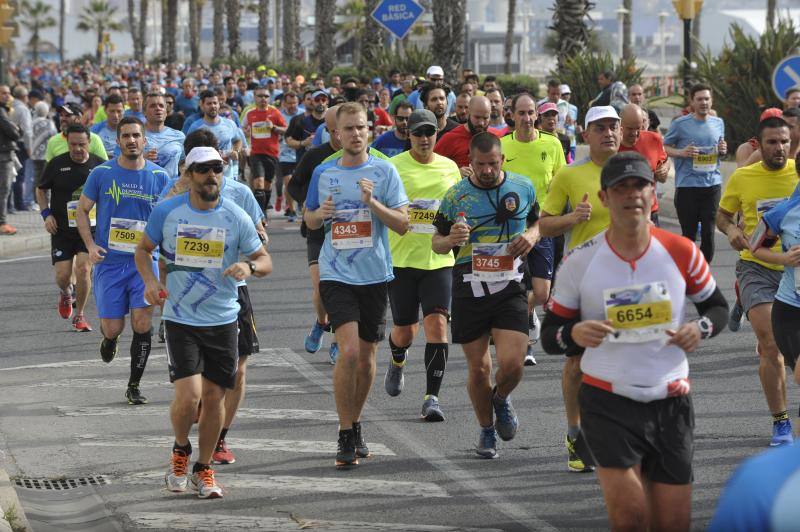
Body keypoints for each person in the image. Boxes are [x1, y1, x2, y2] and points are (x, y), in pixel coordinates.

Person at [541, 151, 728, 532]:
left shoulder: (681, 251)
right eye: (621, 187)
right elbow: (549, 336)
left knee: (672, 522)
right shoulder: (579, 261)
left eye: (640, 184)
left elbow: (717, 309)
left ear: (653, 190)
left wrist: (700, 329)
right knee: (630, 517)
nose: (632, 195)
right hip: (607, 401)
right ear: (604, 197)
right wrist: (574, 333)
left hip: (671, 399)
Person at [135, 146, 271, 499]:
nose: (212, 175)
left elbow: (264, 259)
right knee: (189, 395)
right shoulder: (167, 211)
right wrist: (151, 281)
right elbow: (143, 249)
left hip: (224, 319)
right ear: (190, 174)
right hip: (181, 318)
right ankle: (181, 450)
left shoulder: (235, 214)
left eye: (218, 168)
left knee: (214, 398)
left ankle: (203, 467)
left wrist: (250, 267)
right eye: (204, 169)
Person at [304, 102, 409, 468]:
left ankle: (357, 420)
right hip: (336, 273)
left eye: (361, 128)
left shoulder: (384, 170)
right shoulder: (324, 172)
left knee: (366, 361)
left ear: (370, 130)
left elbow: (402, 224)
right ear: (337, 134)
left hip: (375, 275)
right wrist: (320, 214)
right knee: (347, 352)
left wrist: (372, 203)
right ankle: (345, 431)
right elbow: (310, 220)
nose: (355, 134)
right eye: (348, 128)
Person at [432, 132, 538, 458]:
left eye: (493, 164)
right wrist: (451, 238)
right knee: (479, 369)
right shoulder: (456, 197)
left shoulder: (522, 187)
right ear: (471, 162)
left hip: (511, 282)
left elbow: (539, 223)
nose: (488, 171)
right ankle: (486, 429)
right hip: (470, 284)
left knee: (514, 364)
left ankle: (501, 398)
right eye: (481, 165)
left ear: (502, 160)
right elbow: (436, 243)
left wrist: (532, 236)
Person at [539, 105, 621, 473]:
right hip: (582, 278)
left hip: (626, 281)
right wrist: (573, 218)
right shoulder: (570, 175)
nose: (608, 133)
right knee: (576, 361)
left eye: (614, 127)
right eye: (600, 127)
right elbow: (543, 225)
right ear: (585, 135)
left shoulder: (634, 170)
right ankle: (575, 431)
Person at [75, 116, 169, 405]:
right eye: (125, 136)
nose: (131, 140)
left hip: (145, 264)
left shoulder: (159, 177)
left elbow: (168, 219)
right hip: (110, 263)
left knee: (142, 324)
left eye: (136, 136)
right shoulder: (101, 173)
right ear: (117, 142)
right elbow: (81, 211)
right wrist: (90, 246)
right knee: (113, 327)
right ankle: (110, 339)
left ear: (144, 140)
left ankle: (134, 385)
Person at [717, 116, 798, 446]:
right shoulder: (743, 177)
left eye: (784, 142)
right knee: (769, 345)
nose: (779, 148)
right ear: (759, 145)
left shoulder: (798, 172)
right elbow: (722, 216)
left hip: (792, 275)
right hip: (758, 268)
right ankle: (781, 421)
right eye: (772, 143)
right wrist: (733, 229)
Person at [383, 109, 461, 420]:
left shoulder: (450, 168)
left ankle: (432, 398)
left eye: (429, 132)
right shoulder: (393, 168)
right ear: (408, 135)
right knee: (405, 331)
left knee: (437, 326)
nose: (424, 138)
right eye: (418, 133)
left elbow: (458, 206)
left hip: (438, 259)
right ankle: (397, 359)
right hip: (401, 260)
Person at [500, 93, 566, 365]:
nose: (527, 118)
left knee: (541, 293)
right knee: (514, 285)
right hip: (511, 224)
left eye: (531, 113)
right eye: (522, 113)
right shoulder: (502, 145)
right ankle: (523, 340)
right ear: (512, 115)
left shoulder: (552, 144)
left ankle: (526, 312)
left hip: (543, 224)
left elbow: (563, 182)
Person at [36, 124, 105, 331]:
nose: (77, 149)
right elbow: (40, 190)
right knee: (63, 276)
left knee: (84, 269)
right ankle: (66, 293)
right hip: (62, 230)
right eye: (73, 144)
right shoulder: (57, 164)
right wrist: (46, 215)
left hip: (89, 231)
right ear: (67, 143)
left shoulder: (100, 166)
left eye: (82, 145)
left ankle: (80, 315)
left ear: (89, 143)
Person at [288, 106, 342, 364]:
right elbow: (294, 185)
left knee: (345, 289)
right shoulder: (316, 158)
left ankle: (338, 340)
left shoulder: (369, 159)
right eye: (338, 129)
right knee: (321, 289)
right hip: (319, 230)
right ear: (330, 131)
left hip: (350, 234)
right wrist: (313, 206)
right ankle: (322, 323)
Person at [664, 83, 727, 263]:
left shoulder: (718, 123)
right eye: (699, 99)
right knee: (689, 236)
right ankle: (688, 270)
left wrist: (722, 149)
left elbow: (720, 149)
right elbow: (664, 146)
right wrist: (682, 153)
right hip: (687, 186)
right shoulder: (680, 124)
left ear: (712, 100)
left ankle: (704, 271)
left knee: (708, 234)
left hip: (712, 185)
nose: (704, 102)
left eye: (707, 99)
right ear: (692, 102)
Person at [617, 104, 670, 226]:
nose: (635, 133)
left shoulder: (654, 139)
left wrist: (664, 168)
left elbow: (665, 163)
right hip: (621, 213)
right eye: (630, 129)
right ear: (620, 126)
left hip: (650, 212)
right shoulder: (612, 145)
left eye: (638, 128)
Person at [242, 86, 287, 216]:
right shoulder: (250, 113)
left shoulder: (275, 113)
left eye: (266, 96)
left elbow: (285, 129)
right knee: (259, 183)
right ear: (255, 98)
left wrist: (274, 127)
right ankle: (259, 215)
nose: (263, 98)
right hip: (256, 153)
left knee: (267, 185)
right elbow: (243, 129)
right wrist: (246, 132)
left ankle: (264, 210)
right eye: (260, 96)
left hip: (272, 154)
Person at [185, 90, 246, 187]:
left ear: (219, 105)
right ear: (202, 105)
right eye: (209, 103)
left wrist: (236, 151)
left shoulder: (230, 124)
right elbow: (188, 151)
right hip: (206, 177)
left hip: (228, 175)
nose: (213, 106)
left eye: (215, 103)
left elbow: (238, 140)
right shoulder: (195, 127)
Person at [435, 95, 493, 176]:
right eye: (477, 117)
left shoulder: (495, 137)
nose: (481, 123)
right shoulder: (450, 138)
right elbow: (431, 167)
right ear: (468, 113)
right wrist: (456, 172)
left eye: (485, 118)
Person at [275, 92, 304, 220]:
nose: (292, 105)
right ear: (284, 103)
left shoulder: (303, 115)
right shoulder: (279, 115)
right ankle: (291, 210)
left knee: (302, 182)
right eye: (289, 103)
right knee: (288, 181)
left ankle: (300, 205)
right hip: (284, 153)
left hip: (301, 153)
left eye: (294, 102)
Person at [0, 85, 20, 235]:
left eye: (9, 93)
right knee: (4, 189)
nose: (7, 96)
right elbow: (13, 132)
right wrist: (18, 129)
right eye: (4, 93)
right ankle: (2, 223)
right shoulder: (1, 111)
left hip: (4, 153)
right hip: (4, 156)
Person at [560, 84, 579, 160]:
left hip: (572, 142)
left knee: (571, 164)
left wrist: (577, 128)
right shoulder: (557, 107)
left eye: (567, 94)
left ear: (570, 95)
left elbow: (574, 123)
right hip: (561, 141)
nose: (565, 96)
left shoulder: (574, 108)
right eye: (563, 94)